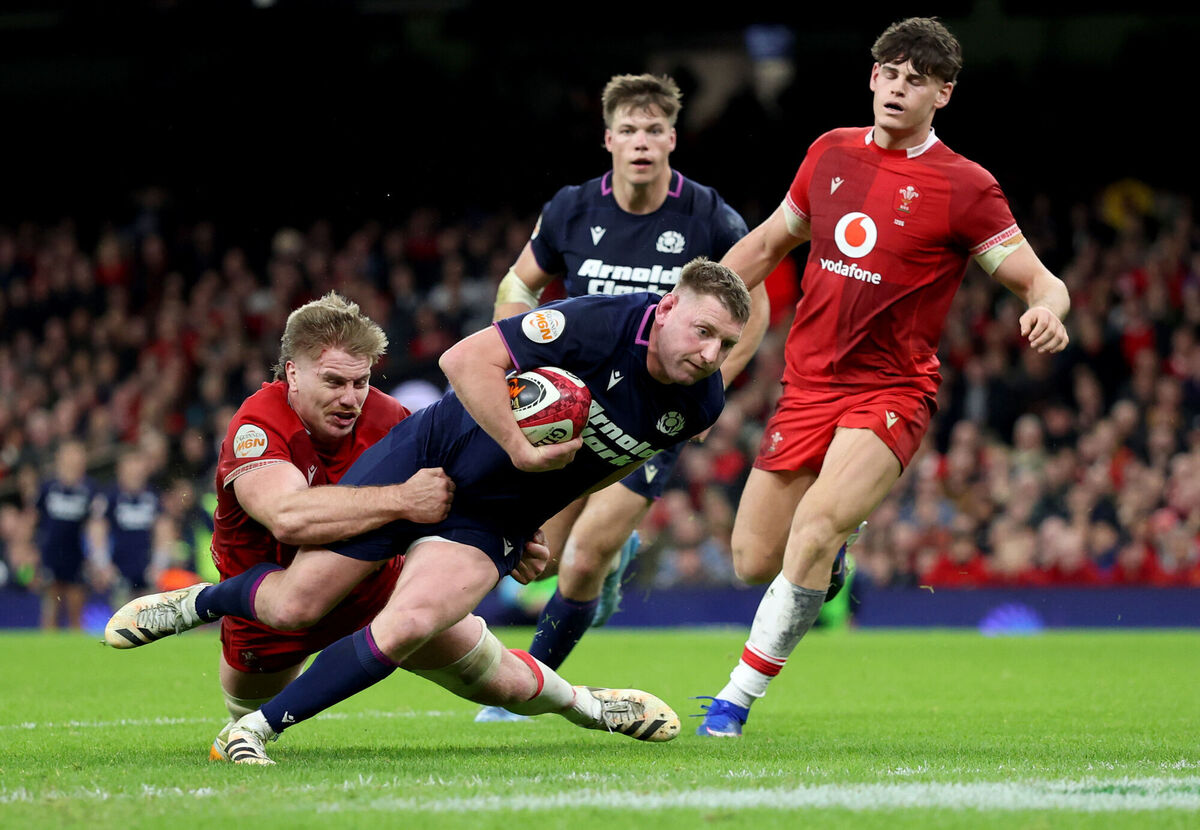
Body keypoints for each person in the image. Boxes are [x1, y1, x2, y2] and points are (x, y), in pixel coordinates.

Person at [108, 258, 750, 764]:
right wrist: (516, 448)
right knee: (296, 604)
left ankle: (252, 732)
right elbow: (462, 359)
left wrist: (538, 520)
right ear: (668, 308)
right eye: (704, 332)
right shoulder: (600, 323)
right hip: (428, 459)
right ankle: (207, 601)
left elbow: (611, 460)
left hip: (491, 517)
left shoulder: (701, 404)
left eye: (726, 344)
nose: (711, 355)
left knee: (416, 627)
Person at [694, 17, 1070, 737]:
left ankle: (733, 701)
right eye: (890, 74)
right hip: (807, 386)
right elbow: (769, 244)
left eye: (916, 80)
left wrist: (1049, 309)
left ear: (943, 94)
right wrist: (687, 306)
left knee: (814, 528)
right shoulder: (829, 152)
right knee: (751, 560)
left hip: (891, 391)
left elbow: (1039, 280)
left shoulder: (966, 187)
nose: (898, 89)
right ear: (872, 78)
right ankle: (832, 559)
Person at [481, 74, 768, 720]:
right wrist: (514, 357)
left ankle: (523, 692)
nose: (642, 142)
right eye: (629, 130)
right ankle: (618, 562)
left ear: (673, 138)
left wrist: (713, 383)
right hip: (573, 406)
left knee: (582, 559)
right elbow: (519, 284)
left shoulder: (708, 216)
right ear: (608, 139)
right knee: (540, 560)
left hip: (654, 413)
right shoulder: (572, 208)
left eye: (654, 130)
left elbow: (755, 305)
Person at [35, 439, 101, 630]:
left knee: (76, 611)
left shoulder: (90, 489)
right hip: (51, 554)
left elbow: (95, 524)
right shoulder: (47, 487)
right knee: (50, 610)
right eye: (69, 454)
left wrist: (95, 556)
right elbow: (34, 519)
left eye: (77, 454)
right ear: (60, 458)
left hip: (77, 555)